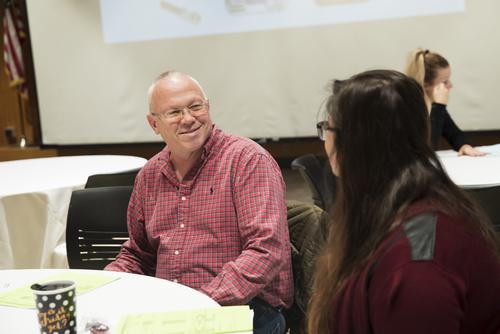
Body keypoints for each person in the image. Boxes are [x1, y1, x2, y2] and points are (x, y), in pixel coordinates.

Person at [307, 70, 500, 333]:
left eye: (327, 128)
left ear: (354, 142)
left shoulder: (416, 260)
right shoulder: (394, 209)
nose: (325, 141)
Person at [105, 71, 293, 333]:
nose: (189, 119)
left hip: (244, 308)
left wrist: (199, 301)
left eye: (195, 107)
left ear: (208, 108)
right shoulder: (149, 175)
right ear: (154, 124)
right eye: (174, 112)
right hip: (171, 309)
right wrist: (106, 285)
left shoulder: (247, 161)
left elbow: (265, 252)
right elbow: (139, 253)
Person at [405, 48, 486, 156]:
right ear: (425, 84)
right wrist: (438, 106)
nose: (450, 85)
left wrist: (464, 145)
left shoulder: (431, 105)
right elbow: (425, 151)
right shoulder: (405, 106)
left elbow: (454, 134)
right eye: (445, 81)